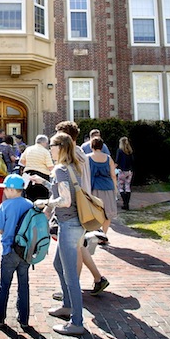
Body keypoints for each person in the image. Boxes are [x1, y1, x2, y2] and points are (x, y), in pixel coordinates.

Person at [33, 132, 86, 336]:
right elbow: (64, 191)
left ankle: (77, 321)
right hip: (75, 223)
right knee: (58, 264)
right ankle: (66, 305)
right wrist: (45, 182)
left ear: (60, 147)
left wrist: (45, 202)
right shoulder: (71, 168)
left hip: (69, 224)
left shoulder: (61, 169)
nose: (49, 150)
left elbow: (64, 200)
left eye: (52, 146)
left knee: (71, 274)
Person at [54, 121, 108, 296]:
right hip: (80, 205)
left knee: (75, 249)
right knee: (78, 246)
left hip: (76, 207)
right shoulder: (79, 153)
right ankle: (97, 279)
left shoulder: (74, 155)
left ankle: (72, 290)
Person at [0, 174, 34, 329]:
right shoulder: (30, 205)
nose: (5, 191)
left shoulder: (5, 206)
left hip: (9, 250)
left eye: (6, 188)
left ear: (13, 190)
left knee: (4, 284)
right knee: (23, 285)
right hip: (26, 251)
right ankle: (24, 319)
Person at [88, 136, 118, 240]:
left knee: (95, 212)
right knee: (107, 212)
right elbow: (113, 175)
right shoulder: (109, 158)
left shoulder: (88, 158)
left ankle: (95, 234)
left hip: (94, 187)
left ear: (91, 146)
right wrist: (115, 187)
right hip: (108, 187)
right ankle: (104, 234)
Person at [19, 135, 54, 202]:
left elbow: (21, 161)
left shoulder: (28, 149)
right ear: (44, 143)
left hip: (28, 175)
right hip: (42, 176)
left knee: (29, 198)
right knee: (42, 199)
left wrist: (30, 165)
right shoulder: (45, 152)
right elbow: (50, 167)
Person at [115, 136, 135, 210]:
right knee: (127, 187)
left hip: (122, 170)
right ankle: (127, 203)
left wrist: (113, 168)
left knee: (120, 187)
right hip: (129, 171)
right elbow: (132, 161)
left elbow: (117, 161)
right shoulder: (130, 151)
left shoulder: (119, 151)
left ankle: (124, 203)